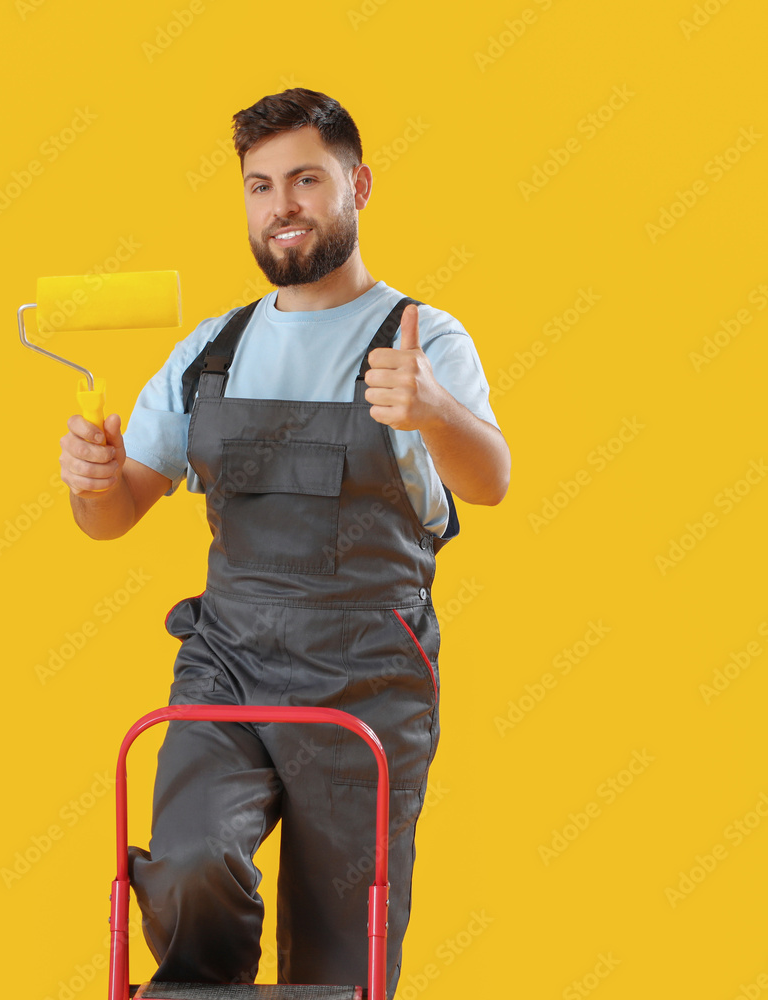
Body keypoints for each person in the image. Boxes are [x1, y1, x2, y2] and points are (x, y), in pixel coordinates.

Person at [58, 88, 511, 996]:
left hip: (367, 672)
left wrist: (433, 409)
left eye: (306, 178)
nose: (283, 206)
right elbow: (114, 515)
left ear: (358, 185)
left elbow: (489, 478)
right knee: (185, 865)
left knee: (342, 952)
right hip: (229, 663)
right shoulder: (212, 352)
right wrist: (93, 483)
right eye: (261, 186)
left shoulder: (421, 340)